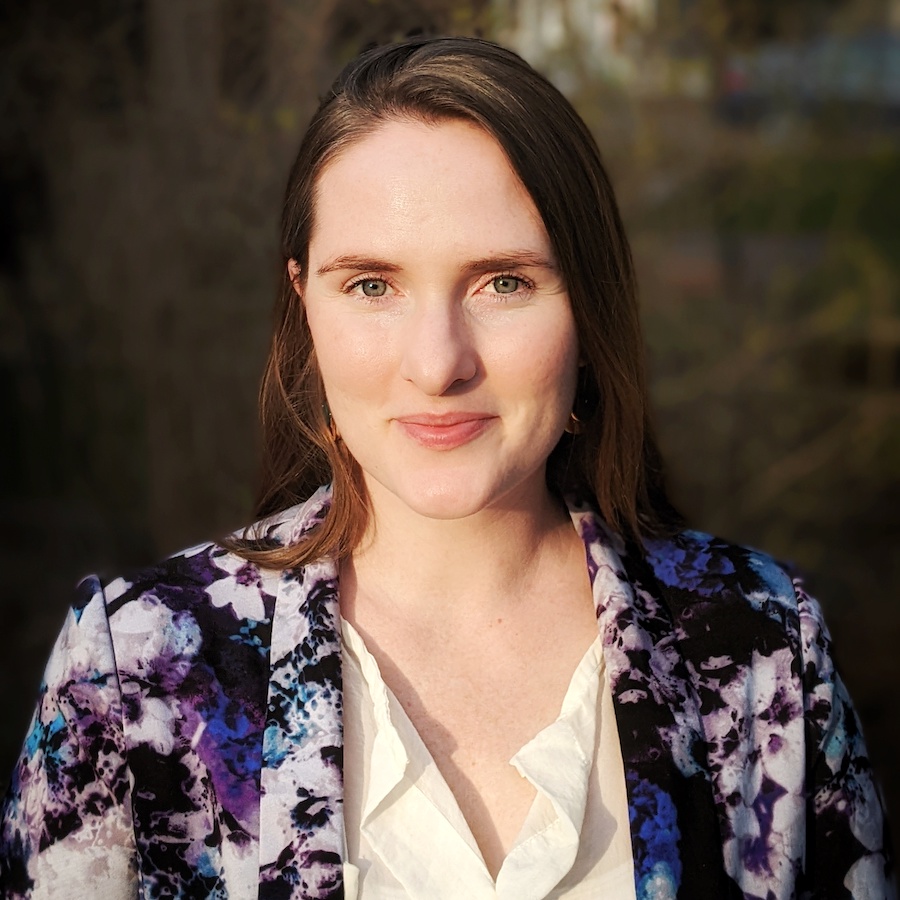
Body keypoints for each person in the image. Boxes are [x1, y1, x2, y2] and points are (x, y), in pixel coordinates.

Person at [0, 35, 893, 900]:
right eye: (371, 284)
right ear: (303, 300)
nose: (438, 363)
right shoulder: (138, 672)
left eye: (502, 281)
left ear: (589, 305)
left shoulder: (761, 647)